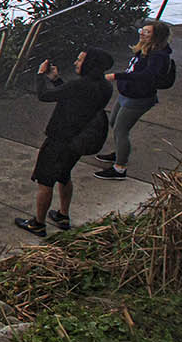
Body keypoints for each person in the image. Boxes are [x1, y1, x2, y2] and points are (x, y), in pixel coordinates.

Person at [15, 48, 114, 237]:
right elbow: (73, 97)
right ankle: (63, 215)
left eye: (79, 60)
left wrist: (40, 75)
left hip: (60, 140)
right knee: (64, 175)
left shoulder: (80, 85)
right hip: (77, 140)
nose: (76, 63)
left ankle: (38, 224)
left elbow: (45, 96)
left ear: (89, 64)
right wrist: (56, 80)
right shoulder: (104, 86)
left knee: (45, 180)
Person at [93, 20, 173, 181]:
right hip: (127, 94)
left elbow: (146, 76)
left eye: (147, 32)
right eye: (142, 30)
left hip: (138, 99)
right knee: (115, 122)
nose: (142, 33)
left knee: (121, 130)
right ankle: (120, 152)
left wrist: (117, 76)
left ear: (157, 37)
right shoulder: (146, 49)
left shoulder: (158, 56)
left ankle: (120, 168)